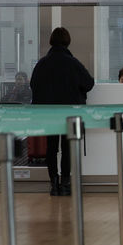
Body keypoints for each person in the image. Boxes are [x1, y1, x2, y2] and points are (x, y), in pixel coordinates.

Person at [30, 27, 94, 196]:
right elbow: (88, 83)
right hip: (70, 112)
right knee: (67, 147)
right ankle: (65, 183)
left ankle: (54, 183)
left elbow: (33, 85)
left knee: (51, 147)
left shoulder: (42, 64)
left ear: (51, 41)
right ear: (68, 41)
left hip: (48, 113)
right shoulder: (73, 63)